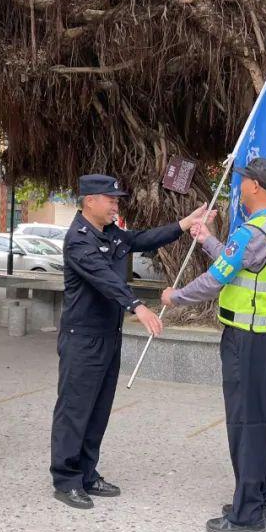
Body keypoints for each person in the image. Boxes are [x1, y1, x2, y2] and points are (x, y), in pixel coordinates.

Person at [50, 174, 212, 510]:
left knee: (98, 409)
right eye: (110, 199)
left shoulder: (111, 234)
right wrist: (137, 305)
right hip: (82, 338)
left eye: (116, 199)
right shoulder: (79, 240)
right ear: (89, 200)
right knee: (75, 409)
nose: (115, 204)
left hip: (109, 335)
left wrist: (184, 224)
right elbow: (104, 278)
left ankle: (87, 472)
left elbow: (141, 239)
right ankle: (66, 480)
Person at [162, 157, 266, 532]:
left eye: (242, 181)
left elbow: (216, 280)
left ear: (254, 186)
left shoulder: (252, 232)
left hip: (246, 340)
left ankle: (246, 516)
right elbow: (238, 264)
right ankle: (258, 499)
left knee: (246, 424)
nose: (239, 188)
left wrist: (176, 297)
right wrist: (206, 239)